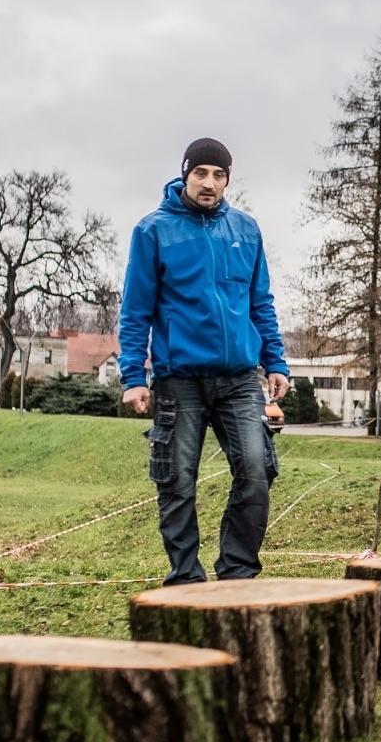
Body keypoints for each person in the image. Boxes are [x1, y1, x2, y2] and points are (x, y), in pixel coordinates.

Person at [118, 137, 290, 585]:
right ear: (185, 174)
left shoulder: (246, 230)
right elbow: (135, 310)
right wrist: (134, 376)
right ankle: (186, 579)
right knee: (176, 482)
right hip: (180, 380)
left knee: (257, 470)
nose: (209, 183)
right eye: (201, 173)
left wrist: (276, 362)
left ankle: (237, 573)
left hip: (238, 379)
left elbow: (261, 303)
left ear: (228, 179)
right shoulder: (153, 231)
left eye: (219, 174)